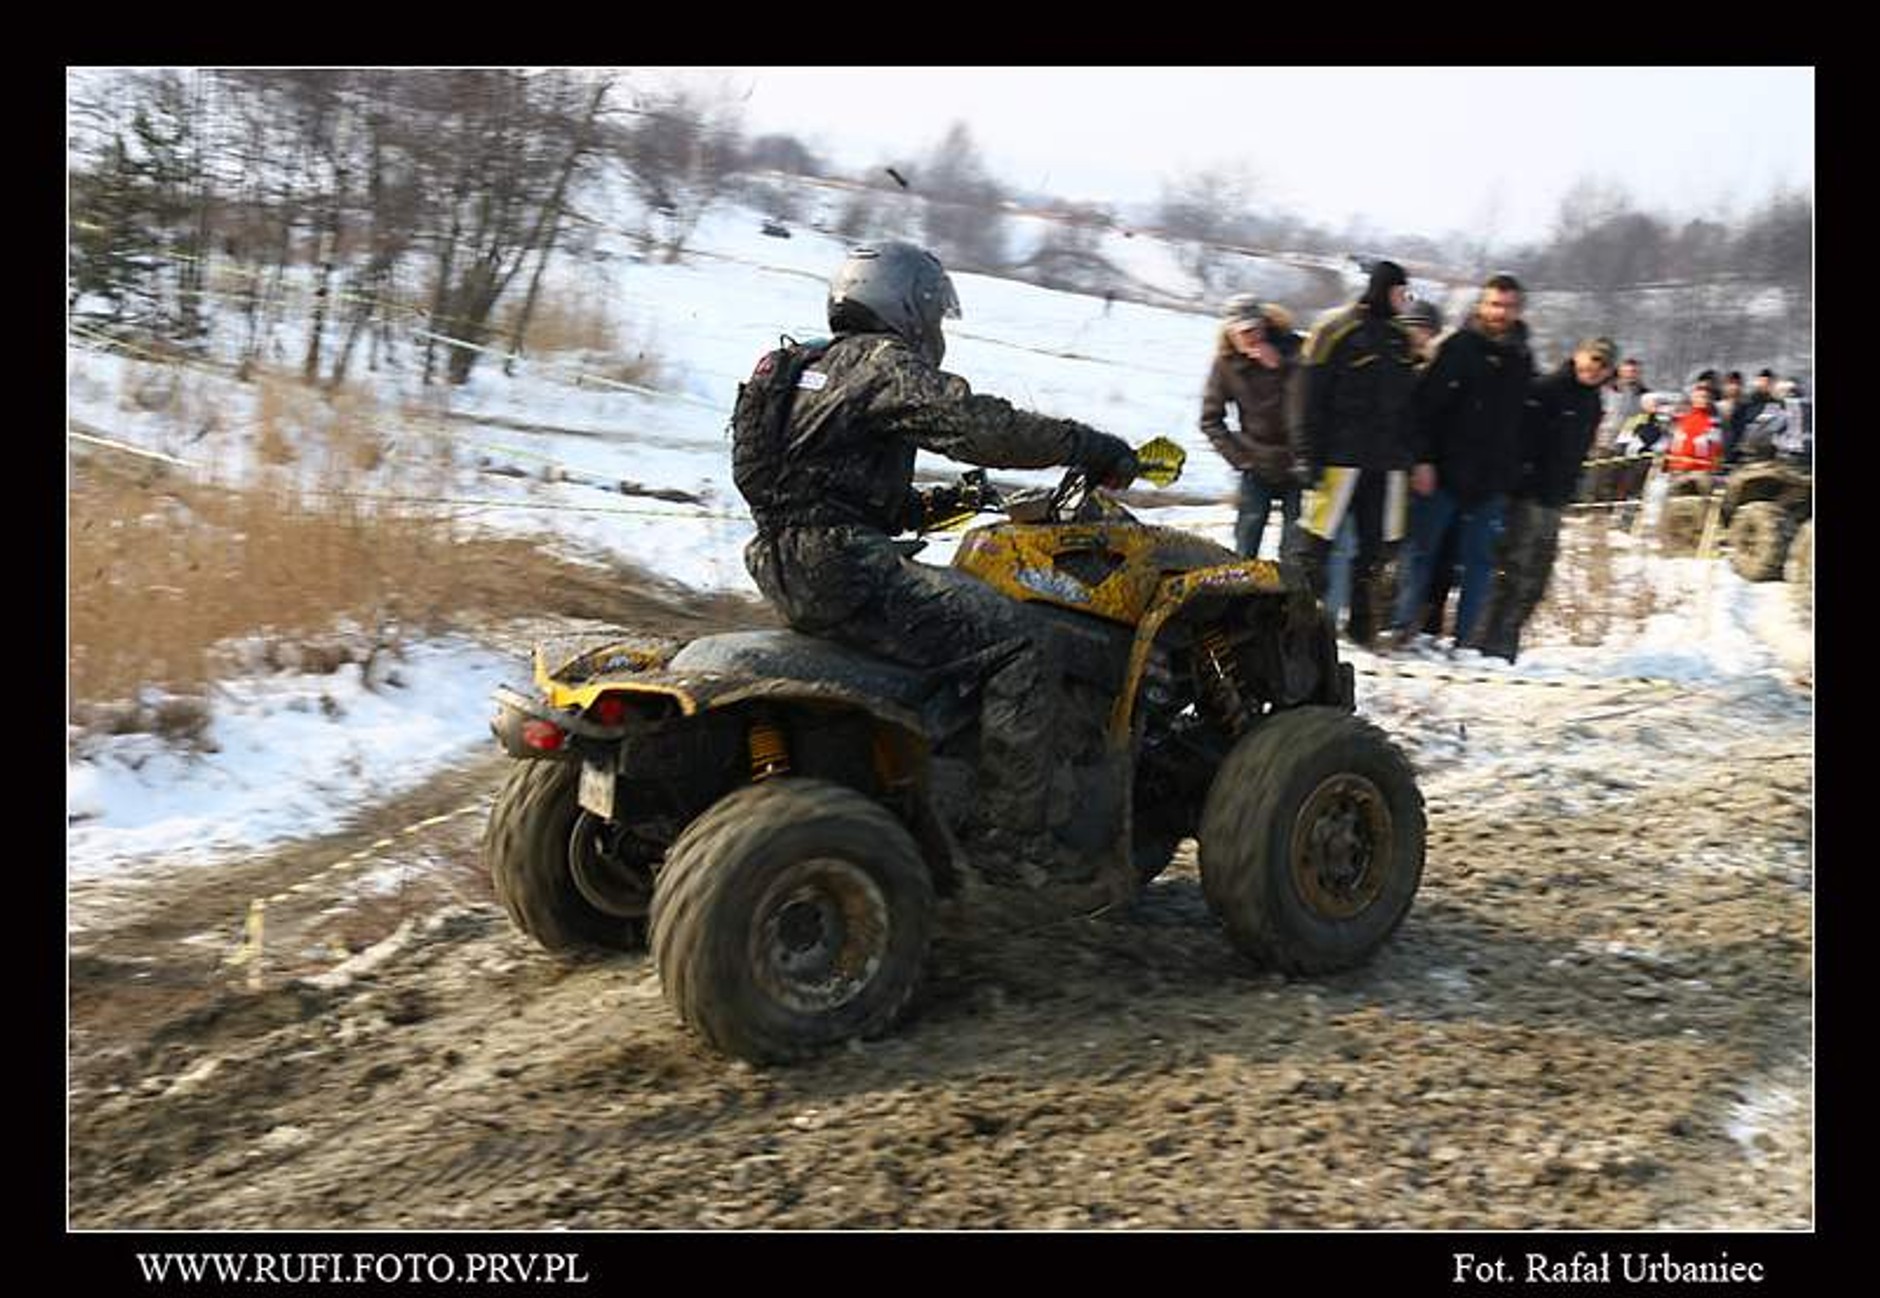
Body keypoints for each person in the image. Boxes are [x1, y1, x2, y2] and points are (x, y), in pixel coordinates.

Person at [736, 240, 1139, 882]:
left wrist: (945, 503)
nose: (937, 330)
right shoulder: (882, 364)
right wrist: (1086, 445)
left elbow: (811, 489)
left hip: (782, 562)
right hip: (848, 570)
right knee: (1021, 648)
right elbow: (982, 427)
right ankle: (1011, 841)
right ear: (907, 306)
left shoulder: (791, 366)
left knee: (955, 629)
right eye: (935, 315)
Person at [1282, 259, 1422, 647]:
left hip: (1387, 465)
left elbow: (1409, 405)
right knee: (1313, 549)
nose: (1405, 300)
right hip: (1339, 461)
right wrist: (1305, 453)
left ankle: (1363, 632)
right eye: (1400, 292)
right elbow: (1305, 397)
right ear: (1382, 289)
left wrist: (1410, 456)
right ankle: (1301, 628)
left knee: (1376, 553)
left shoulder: (1400, 339)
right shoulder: (1335, 328)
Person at [1391, 272, 1536, 648]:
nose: (1500, 312)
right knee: (1420, 553)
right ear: (1481, 305)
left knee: (1480, 564)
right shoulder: (1457, 347)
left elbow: (1522, 422)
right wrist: (1421, 461)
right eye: (1493, 304)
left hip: (1492, 479)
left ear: (1518, 310)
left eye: (1507, 306)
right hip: (1443, 471)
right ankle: (1402, 627)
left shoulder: (1522, 356)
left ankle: (1466, 641)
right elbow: (1422, 409)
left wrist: (1514, 472)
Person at [1472, 337, 1617, 662]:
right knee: (1513, 569)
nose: (1595, 368)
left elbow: (1579, 451)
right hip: (1526, 494)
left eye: (1603, 364)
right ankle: (1485, 643)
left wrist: (1575, 484)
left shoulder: (1592, 403)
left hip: (1555, 497)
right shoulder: (1547, 389)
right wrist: (1518, 479)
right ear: (1578, 355)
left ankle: (1506, 642)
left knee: (1538, 576)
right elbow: (1517, 438)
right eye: (1592, 359)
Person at [1330, 295, 1445, 634]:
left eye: (1424, 330)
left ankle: (1391, 621)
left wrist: (1422, 461)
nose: (1417, 336)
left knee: (1402, 550)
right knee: (1359, 544)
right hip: (1376, 468)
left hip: (1413, 472)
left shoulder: (1436, 371)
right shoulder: (1386, 363)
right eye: (1410, 327)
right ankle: (1348, 614)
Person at [1199, 293, 1304, 560]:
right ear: (1231, 333)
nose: (1251, 336)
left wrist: (1279, 367)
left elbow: (1312, 399)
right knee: (1246, 546)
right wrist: (1240, 459)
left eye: (1255, 328)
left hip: (1298, 463)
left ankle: (1290, 600)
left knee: (1295, 552)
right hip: (1255, 463)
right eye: (1243, 332)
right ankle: (1242, 600)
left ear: (1265, 324)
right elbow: (1211, 420)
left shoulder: (1296, 350)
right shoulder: (1225, 364)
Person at [1663, 376, 1726, 474]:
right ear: (1692, 398)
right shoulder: (1681, 419)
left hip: (1699, 473)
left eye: (1706, 397)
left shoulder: (1714, 423)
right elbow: (1669, 445)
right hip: (1675, 470)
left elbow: (1716, 450)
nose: (1703, 400)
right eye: (1699, 397)